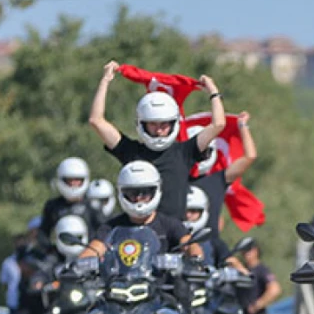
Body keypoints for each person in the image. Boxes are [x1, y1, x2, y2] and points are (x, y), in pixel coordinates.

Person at [89, 60, 226, 221]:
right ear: (141, 123)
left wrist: (213, 91)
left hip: (174, 237)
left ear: (173, 123)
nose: (159, 129)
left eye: (164, 124)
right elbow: (96, 120)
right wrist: (105, 80)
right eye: (153, 124)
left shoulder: (185, 152)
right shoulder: (131, 151)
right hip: (139, 234)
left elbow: (218, 124)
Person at [80, 162, 201, 260]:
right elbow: (94, 249)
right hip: (119, 286)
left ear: (156, 191)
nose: (138, 198)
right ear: (122, 192)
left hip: (160, 287)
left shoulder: (170, 224)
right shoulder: (111, 227)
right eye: (132, 193)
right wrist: (79, 265)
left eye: (145, 192)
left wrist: (195, 257)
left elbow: (189, 244)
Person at [188, 111, 258, 239]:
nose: (200, 156)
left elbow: (250, 156)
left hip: (210, 248)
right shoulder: (174, 175)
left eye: (205, 152)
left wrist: (242, 126)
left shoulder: (218, 180)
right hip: (176, 247)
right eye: (195, 152)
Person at [38, 157, 107, 253]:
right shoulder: (52, 206)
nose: (74, 184)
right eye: (70, 180)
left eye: (78, 180)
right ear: (61, 179)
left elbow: (105, 232)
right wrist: (51, 252)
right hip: (59, 258)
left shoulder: (92, 206)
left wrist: (94, 250)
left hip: (89, 256)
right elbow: (43, 234)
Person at [0, 234, 26, 314]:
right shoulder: (8, 262)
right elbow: (4, 283)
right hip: (14, 303)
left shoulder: (30, 260)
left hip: (27, 304)